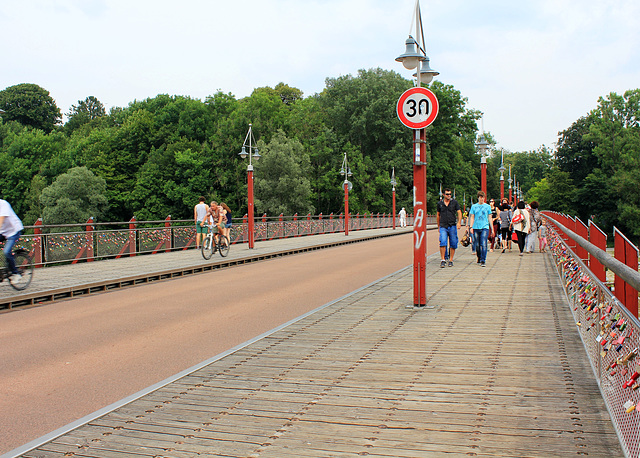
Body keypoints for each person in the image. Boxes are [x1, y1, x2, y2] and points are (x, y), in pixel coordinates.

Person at [0, 198, 25, 286]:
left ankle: (15, 273)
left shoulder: (3, 204)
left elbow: (1, 220)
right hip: (3, 232)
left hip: (13, 231)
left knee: (6, 252)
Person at [436, 188, 462, 268]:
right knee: (443, 241)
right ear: (443, 195)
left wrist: (459, 222)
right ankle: (443, 259)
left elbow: (459, 212)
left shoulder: (454, 203)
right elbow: (438, 215)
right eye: (447, 194)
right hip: (443, 225)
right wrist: (438, 226)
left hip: (452, 225)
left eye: (450, 194)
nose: (449, 196)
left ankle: (451, 260)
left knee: (453, 243)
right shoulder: (440, 204)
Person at [468, 191, 494, 267]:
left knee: (483, 243)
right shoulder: (474, 207)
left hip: (484, 227)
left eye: (483, 197)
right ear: (478, 198)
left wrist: (492, 229)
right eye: (480, 197)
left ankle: (483, 259)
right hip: (476, 227)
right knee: (477, 244)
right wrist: (471, 227)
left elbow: (490, 217)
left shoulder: (487, 207)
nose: (482, 199)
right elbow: (472, 217)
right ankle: (479, 256)